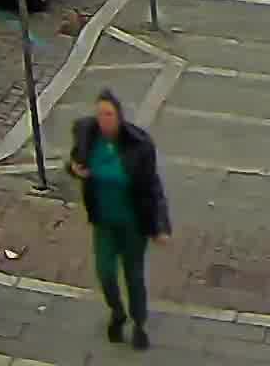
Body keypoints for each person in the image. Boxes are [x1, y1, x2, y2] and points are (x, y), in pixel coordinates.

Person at [69, 89, 171, 348]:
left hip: (133, 224)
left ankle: (139, 323)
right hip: (104, 222)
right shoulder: (87, 135)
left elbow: (152, 188)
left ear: (119, 116)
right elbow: (74, 162)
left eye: (109, 114)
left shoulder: (139, 146)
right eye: (100, 114)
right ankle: (117, 311)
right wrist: (73, 169)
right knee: (105, 272)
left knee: (133, 275)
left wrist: (161, 226)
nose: (103, 120)